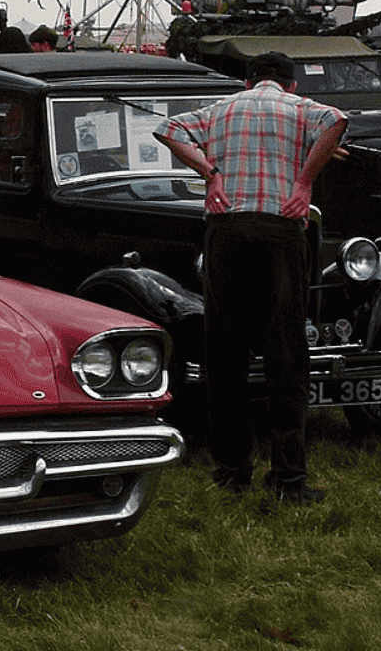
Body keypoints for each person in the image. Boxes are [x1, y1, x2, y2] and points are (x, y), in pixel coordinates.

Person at [152, 51, 347, 504]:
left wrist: (209, 172)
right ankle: (289, 479)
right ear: (291, 85)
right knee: (286, 354)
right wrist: (303, 182)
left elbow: (169, 130)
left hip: (228, 229)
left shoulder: (221, 110)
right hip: (281, 231)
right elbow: (335, 120)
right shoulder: (300, 111)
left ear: (247, 82)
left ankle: (233, 471)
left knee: (225, 353)